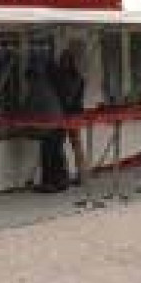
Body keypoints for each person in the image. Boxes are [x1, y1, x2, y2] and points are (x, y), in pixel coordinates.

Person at [21, 62, 69, 192]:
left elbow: (28, 109)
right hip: (60, 125)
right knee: (57, 155)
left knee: (48, 156)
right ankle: (61, 181)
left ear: (31, 78)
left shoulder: (36, 88)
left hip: (49, 128)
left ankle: (49, 184)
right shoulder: (48, 86)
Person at [54, 47, 86, 185]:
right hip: (76, 112)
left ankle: (65, 173)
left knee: (61, 144)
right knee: (76, 144)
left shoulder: (62, 78)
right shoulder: (78, 77)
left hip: (65, 113)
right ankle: (81, 174)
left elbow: (67, 97)